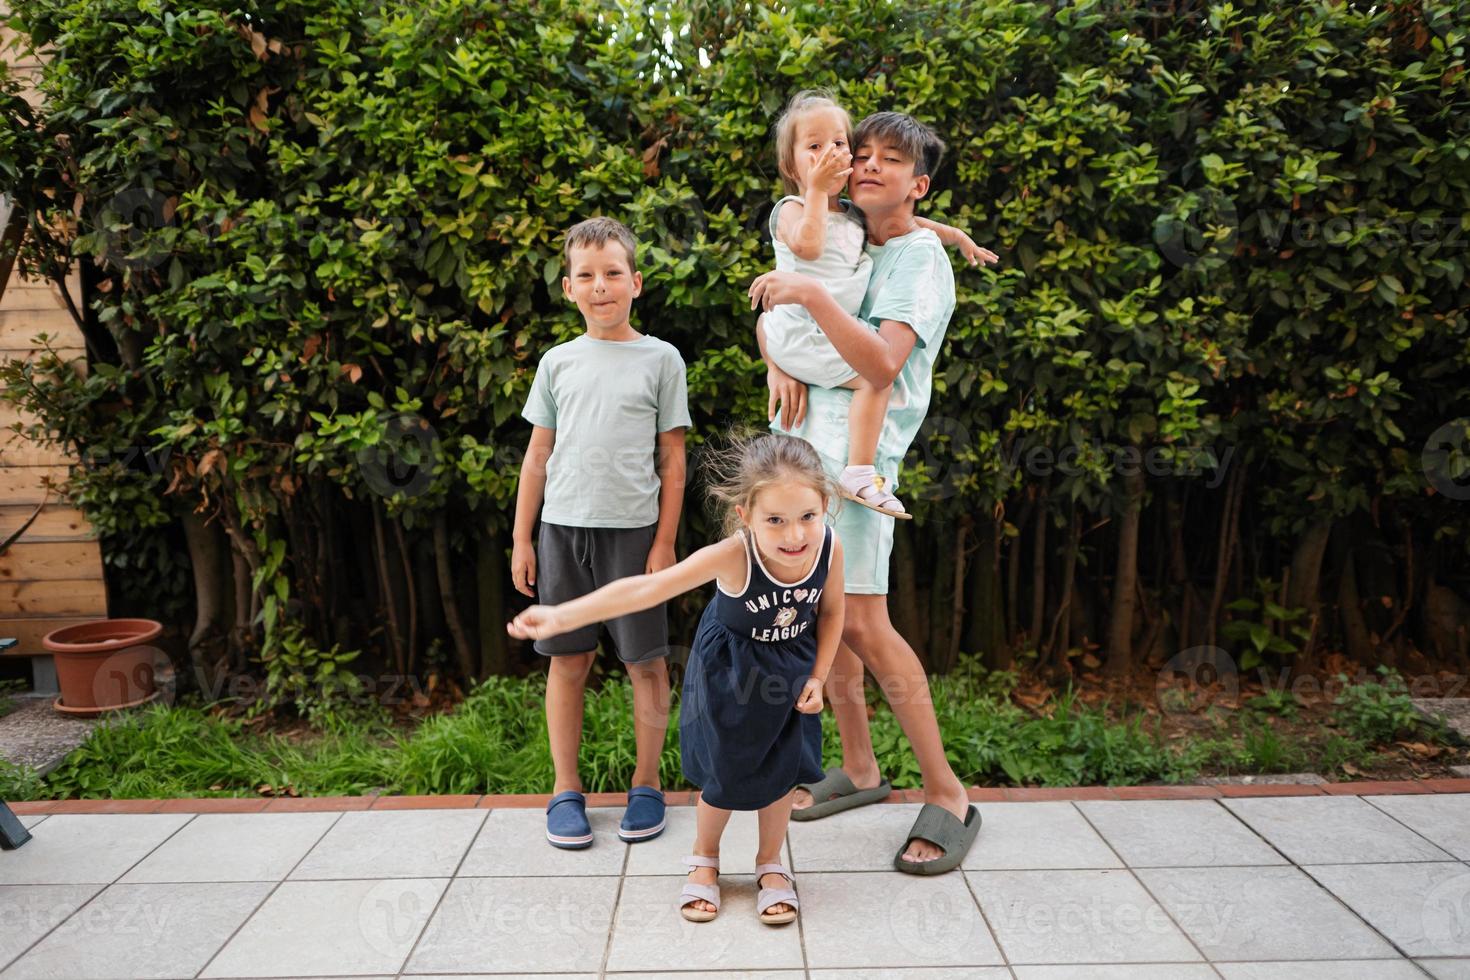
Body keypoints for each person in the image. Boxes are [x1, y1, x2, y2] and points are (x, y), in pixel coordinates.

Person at [750, 111, 990, 875]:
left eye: (892, 160)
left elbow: (881, 366)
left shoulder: (919, 258)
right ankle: (859, 767)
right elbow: (792, 300)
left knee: (870, 627)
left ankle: (948, 793)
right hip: (801, 461)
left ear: (918, 186)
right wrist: (774, 356)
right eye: (865, 155)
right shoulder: (852, 238)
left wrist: (807, 308)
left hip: (854, 471)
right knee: (831, 618)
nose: (868, 166)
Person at [510, 433, 844, 926]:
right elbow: (648, 588)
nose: (794, 535)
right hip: (731, 674)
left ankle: (770, 864)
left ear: (824, 507)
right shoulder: (733, 555)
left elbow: (834, 614)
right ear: (745, 516)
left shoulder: (829, 548)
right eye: (775, 520)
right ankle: (705, 857)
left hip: (791, 671)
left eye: (807, 517)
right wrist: (563, 615)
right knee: (725, 771)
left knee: (783, 767)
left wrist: (819, 675)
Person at [511, 216, 689, 850]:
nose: (600, 285)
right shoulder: (556, 362)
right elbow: (537, 455)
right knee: (568, 661)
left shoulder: (662, 359)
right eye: (586, 275)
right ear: (568, 288)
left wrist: (664, 543)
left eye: (613, 273)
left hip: (635, 538)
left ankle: (647, 785)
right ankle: (566, 791)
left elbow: (673, 457)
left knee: (645, 663)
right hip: (562, 535)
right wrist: (522, 539)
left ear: (635, 282)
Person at [759, 90, 997, 519]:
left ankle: (860, 470)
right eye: (814, 148)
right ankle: (859, 472)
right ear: (791, 167)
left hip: (813, 425)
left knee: (876, 377)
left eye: (837, 145)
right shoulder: (794, 210)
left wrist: (957, 236)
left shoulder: (858, 223)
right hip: (798, 427)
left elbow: (913, 223)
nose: (831, 155)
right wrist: (778, 365)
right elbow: (808, 250)